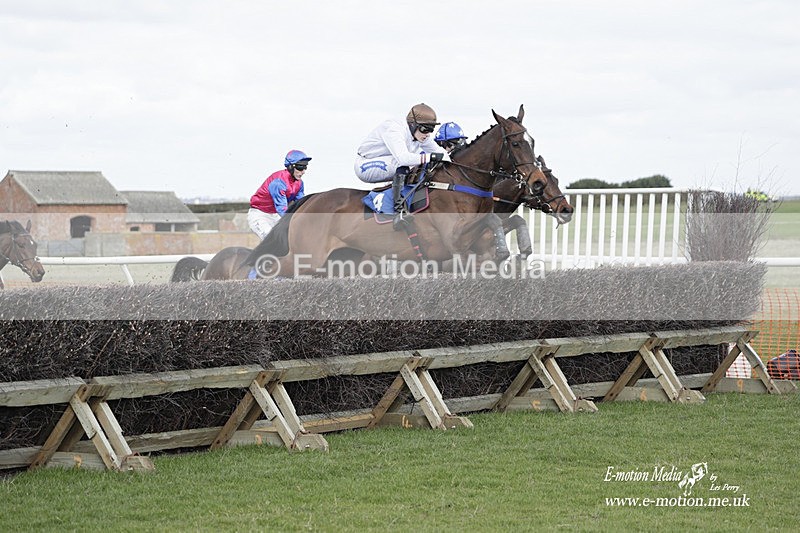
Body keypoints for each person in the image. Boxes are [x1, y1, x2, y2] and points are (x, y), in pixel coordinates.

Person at [355, 103, 449, 229]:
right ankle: (398, 211)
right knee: (405, 163)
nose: (427, 134)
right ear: (413, 124)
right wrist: (430, 157)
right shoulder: (394, 129)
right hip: (365, 165)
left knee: (419, 165)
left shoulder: (420, 134)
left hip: (388, 161)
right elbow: (403, 158)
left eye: (431, 130)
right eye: (425, 129)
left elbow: (442, 153)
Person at [247, 149, 310, 240]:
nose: (303, 171)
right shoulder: (278, 182)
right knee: (273, 241)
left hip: (276, 215)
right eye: (300, 167)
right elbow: (282, 209)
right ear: (290, 166)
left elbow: (301, 205)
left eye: (305, 167)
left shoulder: (300, 183)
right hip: (260, 215)